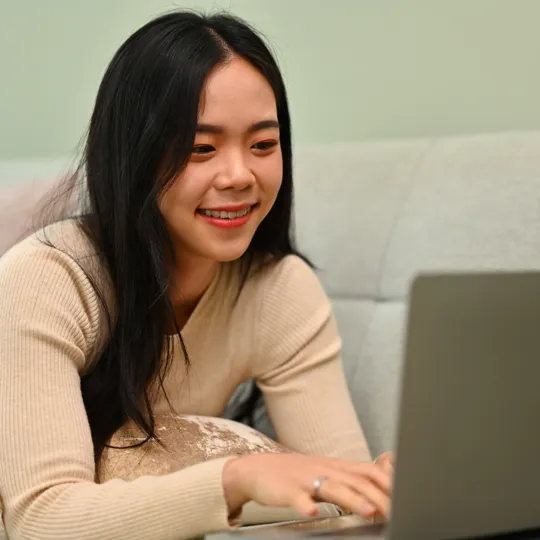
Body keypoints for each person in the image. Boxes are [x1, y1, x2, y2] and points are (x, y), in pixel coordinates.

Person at [0, 10, 394, 540]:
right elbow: (39, 520)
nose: (239, 176)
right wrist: (236, 479)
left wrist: (380, 490)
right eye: (200, 148)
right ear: (133, 156)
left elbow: (342, 499)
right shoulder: (46, 280)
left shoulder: (277, 290)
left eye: (263, 145)